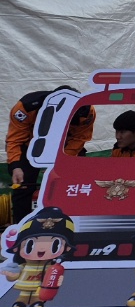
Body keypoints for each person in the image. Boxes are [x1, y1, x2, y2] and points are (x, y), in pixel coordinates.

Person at [7, 87, 94, 222]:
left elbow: (79, 139)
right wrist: (16, 166)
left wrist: (63, 162)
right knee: (23, 186)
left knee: (75, 184)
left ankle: (73, 221)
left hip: (67, 146)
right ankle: (21, 228)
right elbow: (15, 140)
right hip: (31, 147)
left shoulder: (86, 112)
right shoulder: (25, 108)